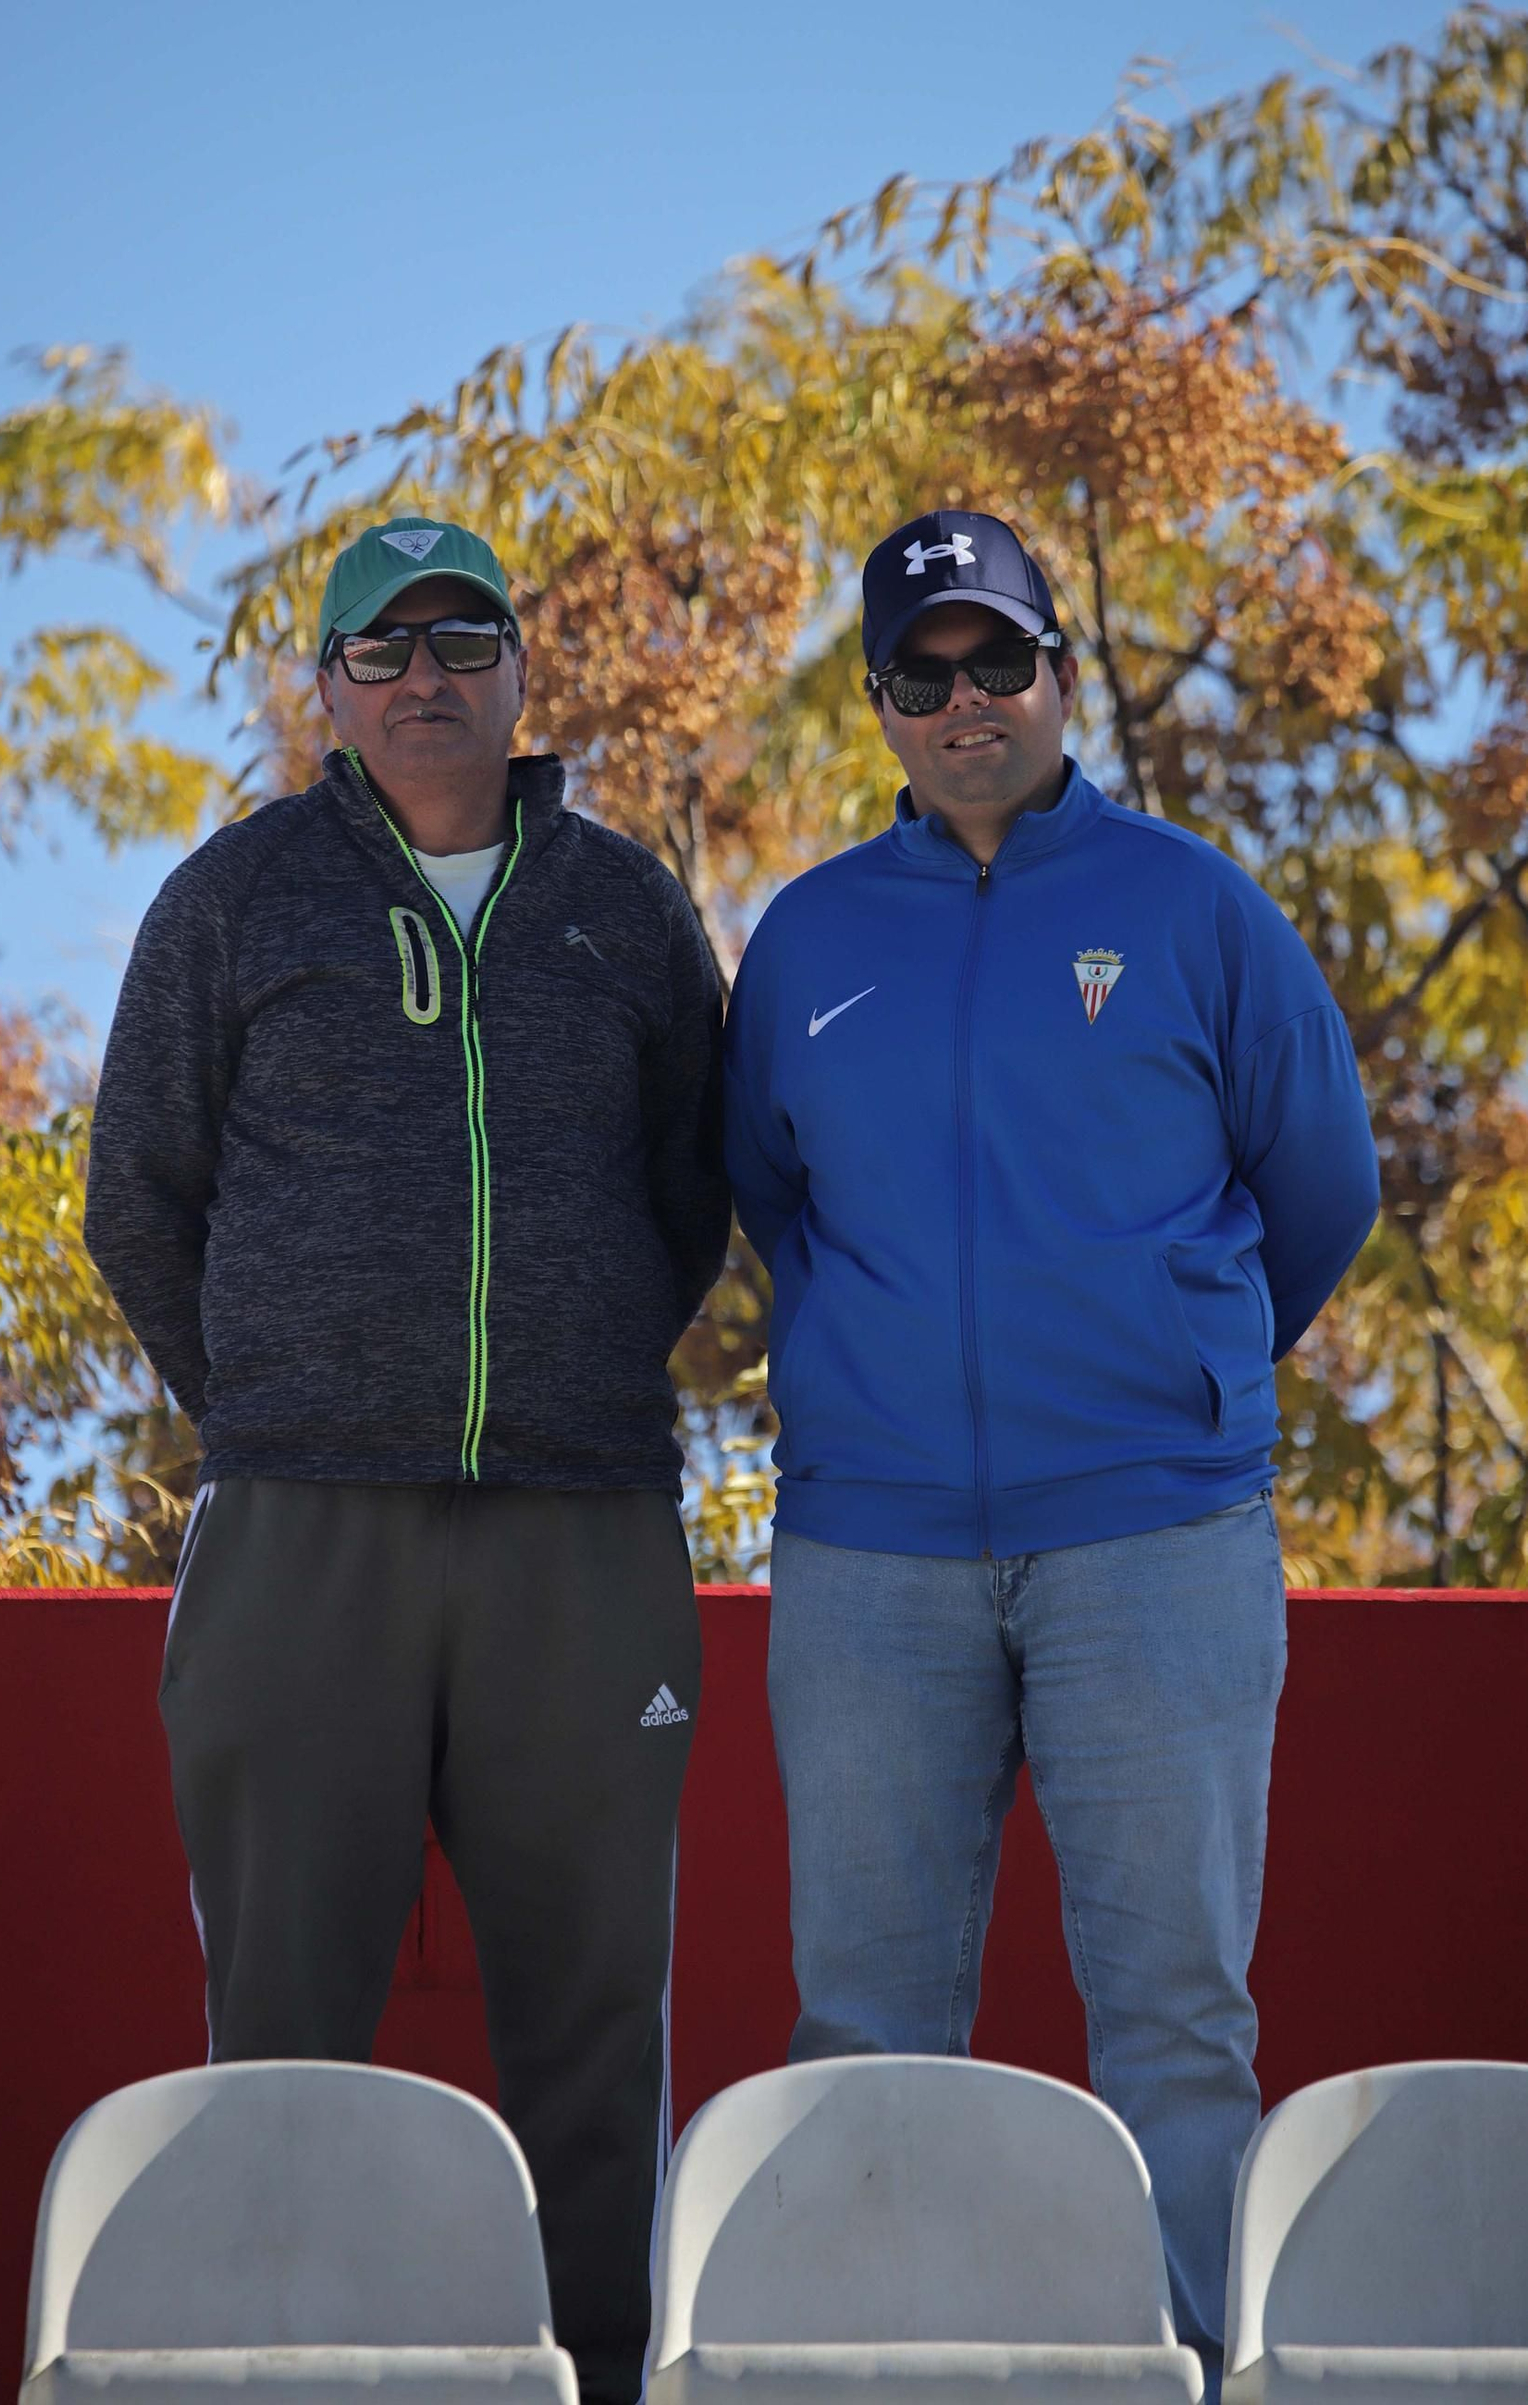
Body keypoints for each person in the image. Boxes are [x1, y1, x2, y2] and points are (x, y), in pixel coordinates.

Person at [723, 508, 1380, 2393]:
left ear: (1058, 675)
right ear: (880, 704)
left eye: (994, 660)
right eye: (919, 675)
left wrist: (1167, 1377)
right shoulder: (811, 939)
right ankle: (868, 2369)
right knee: (863, 2023)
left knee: (1177, 2020)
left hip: (1156, 1544)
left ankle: (1193, 2355)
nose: (962, 702)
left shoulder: (1194, 911)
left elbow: (1319, 1193)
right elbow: (778, 1202)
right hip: (876, 1561)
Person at [86, 516, 729, 2405]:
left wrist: (564, 1361)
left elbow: (686, 1196)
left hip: (582, 1534)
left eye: (465, 639)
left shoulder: (628, 907)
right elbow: (140, 1199)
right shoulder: (234, 901)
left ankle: (603, 2378)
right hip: (304, 1532)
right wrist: (293, 1397)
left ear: (527, 671)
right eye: (387, 651)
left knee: (599, 2036)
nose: (429, 676)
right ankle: (267, 2376)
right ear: (333, 692)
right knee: (280, 2032)